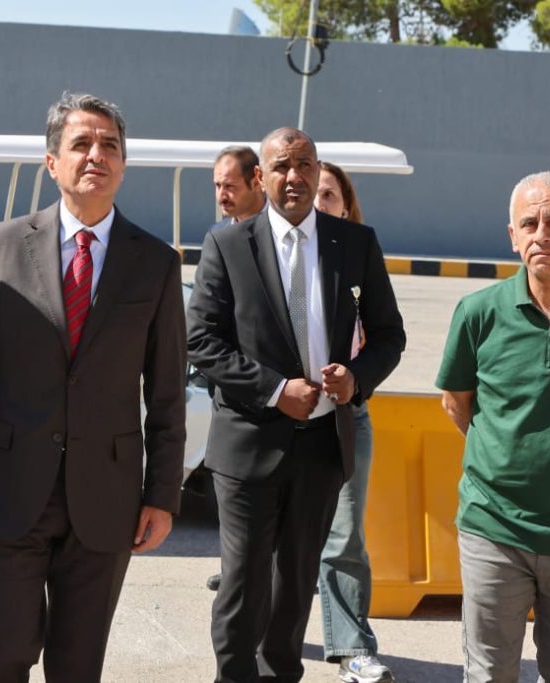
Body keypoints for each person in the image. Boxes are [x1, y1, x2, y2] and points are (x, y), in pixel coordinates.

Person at [0, 91, 186, 682]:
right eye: (81, 143)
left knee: (77, 666)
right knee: (1, 653)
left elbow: (167, 393)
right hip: (8, 492)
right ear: (52, 163)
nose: (97, 155)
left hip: (107, 499)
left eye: (110, 145)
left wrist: (162, 495)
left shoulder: (156, 263)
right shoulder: (1, 246)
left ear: (123, 163)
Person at [187, 126, 405, 682]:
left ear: (317, 172)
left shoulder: (354, 243)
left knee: (296, 580)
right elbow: (201, 341)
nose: (294, 176)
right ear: (261, 177)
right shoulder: (228, 244)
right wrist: (275, 390)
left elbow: (389, 335)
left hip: (323, 447)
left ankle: (282, 673)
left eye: (305, 165)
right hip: (248, 445)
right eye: (282, 166)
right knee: (244, 582)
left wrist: (356, 378)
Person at [437, 170, 550, 682]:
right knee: (489, 673)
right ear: (513, 236)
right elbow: (457, 403)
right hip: (493, 528)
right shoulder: (478, 313)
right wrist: (506, 454)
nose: (542, 235)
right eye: (529, 224)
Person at [314, 161, 394, 682]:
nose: (318, 202)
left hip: (346, 415)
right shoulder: (265, 252)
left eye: (329, 194)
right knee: (271, 537)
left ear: (345, 206)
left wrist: (356, 377)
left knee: (343, 535)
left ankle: (352, 648)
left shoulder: (358, 254)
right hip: (278, 417)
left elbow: (388, 336)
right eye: (313, 193)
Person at [204, 144, 266, 593]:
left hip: (276, 394)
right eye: (217, 186)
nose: (222, 194)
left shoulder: (279, 238)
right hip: (230, 389)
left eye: (230, 185)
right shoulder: (218, 237)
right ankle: (234, 572)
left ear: (256, 181)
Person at [213, 145, 266, 225]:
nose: (221, 196)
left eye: (229, 186)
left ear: (256, 183)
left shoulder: (282, 226)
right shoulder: (218, 232)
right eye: (218, 185)